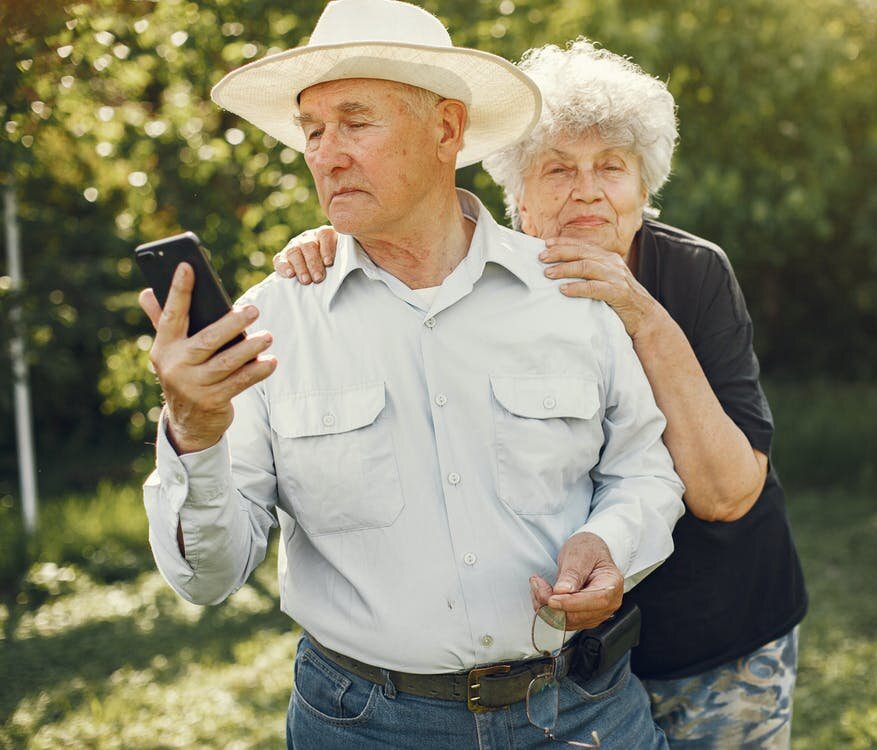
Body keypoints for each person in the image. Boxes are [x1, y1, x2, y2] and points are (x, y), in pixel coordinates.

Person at [138, 3, 685, 748]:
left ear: (446, 131)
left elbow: (644, 470)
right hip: (361, 726)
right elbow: (207, 579)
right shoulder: (271, 326)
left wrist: (610, 544)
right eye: (313, 130)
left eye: (355, 122)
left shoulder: (571, 294)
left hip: (583, 713)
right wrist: (194, 435)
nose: (325, 154)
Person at [277, 39, 808, 749]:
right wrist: (346, 235)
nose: (585, 190)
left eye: (611, 168)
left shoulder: (691, 273)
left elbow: (726, 493)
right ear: (517, 194)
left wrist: (637, 307)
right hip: (568, 670)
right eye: (556, 168)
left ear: (644, 187)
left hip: (712, 634)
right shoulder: (490, 280)